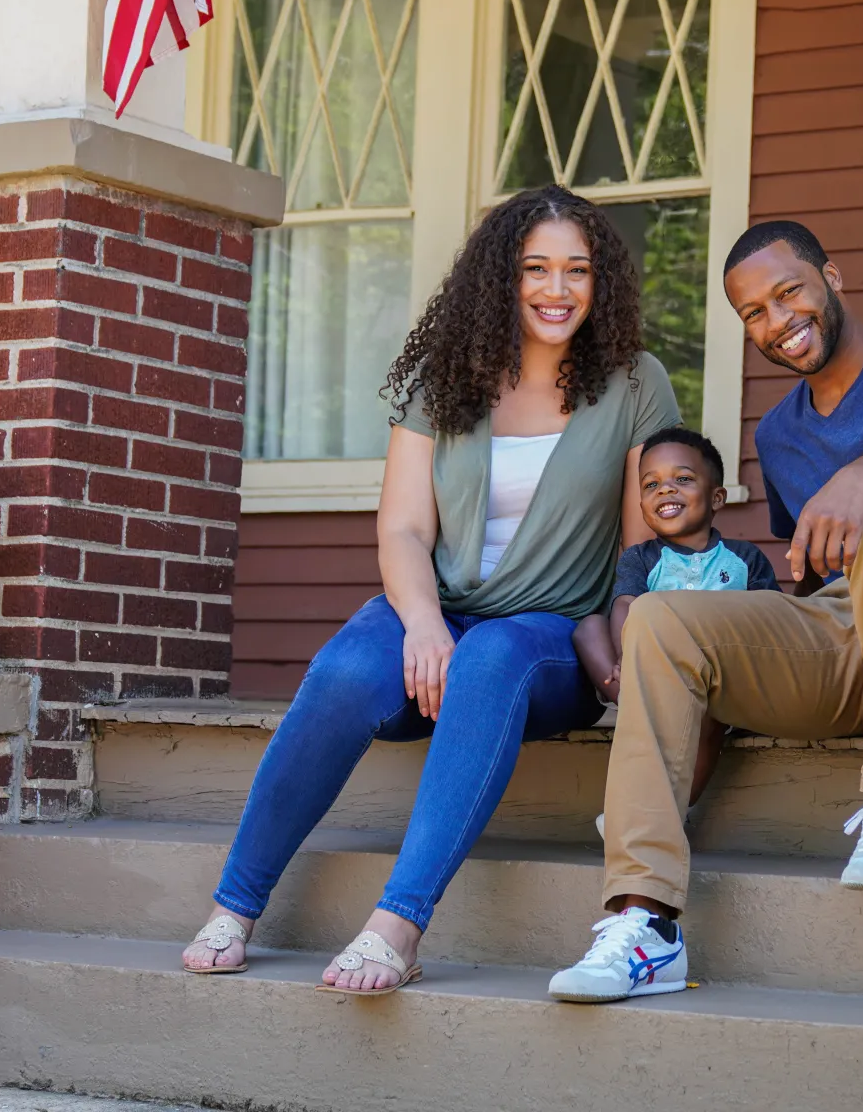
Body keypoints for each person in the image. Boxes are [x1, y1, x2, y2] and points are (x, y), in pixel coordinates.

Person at [180, 185, 679, 995]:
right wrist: (420, 624)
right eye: (537, 269)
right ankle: (236, 904)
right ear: (500, 277)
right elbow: (404, 530)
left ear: (603, 282)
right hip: (437, 618)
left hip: (549, 643)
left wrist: (626, 657)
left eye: (578, 271)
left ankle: (399, 925)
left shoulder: (634, 383)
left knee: (491, 655)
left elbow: (637, 549)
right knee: (344, 671)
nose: (559, 290)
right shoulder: (447, 376)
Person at [548, 219, 863, 1003]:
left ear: (833, 277)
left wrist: (860, 478)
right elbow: (814, 584)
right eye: (753, 313)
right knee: (659, 617)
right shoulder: (780, 432)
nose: (777, 321)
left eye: (789, 293)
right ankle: (646, 922)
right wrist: (739, 673)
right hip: (857, 650)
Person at [573, 426, 782, 824]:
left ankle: (672, 809)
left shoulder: (743, 559)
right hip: (652, 674)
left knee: (707, 715)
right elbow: (626, 607)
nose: (665, 490)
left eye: (682, 479)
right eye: (651, 485)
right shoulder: (641, 559)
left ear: (717, 496)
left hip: (721, 685)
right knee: (588, 628)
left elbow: (770, 620)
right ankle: (633, 694)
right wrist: (627, 658)